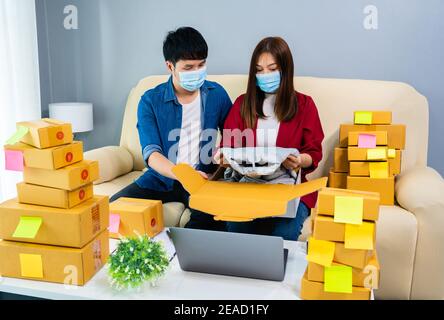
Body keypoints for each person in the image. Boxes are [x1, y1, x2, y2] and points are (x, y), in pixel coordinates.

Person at [110, 27, 232, 231]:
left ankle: (181, 260)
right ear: (170, 66)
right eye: (188, 67)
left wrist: (221, 163)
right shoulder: (150, 100)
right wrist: (181, 174)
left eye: (201, 65)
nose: (196, 72)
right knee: (111, 212)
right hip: (160, 178)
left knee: (212, 224)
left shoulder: (217, 94)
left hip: (203, 181)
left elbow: (232, 136)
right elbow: (151, 153)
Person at [215, 37, 324, 241]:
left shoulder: (305, 105)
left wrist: (300, 160)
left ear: (285, 69)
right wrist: (223, 156)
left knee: (283, 234)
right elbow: (227, 146)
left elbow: (314, 154)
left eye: (272, 69)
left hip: (288, 189)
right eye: (259, 70)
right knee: (237, 231)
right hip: (248, 188)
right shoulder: (242, 104)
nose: (265, 75)